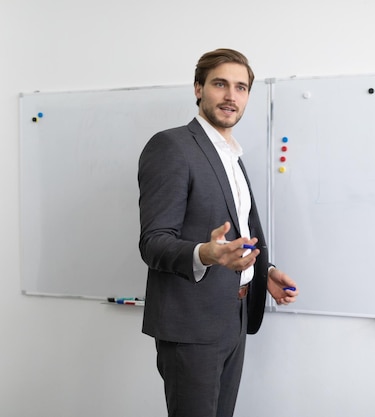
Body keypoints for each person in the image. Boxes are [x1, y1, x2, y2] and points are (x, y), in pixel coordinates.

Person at [137, 48, 299, 417]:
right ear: (198, 89)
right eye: (220, 84)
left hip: (235, 315)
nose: (231, 95)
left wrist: (265, 272)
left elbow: (244, 232)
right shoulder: (172, 146)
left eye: (241, 88)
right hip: (192, 325)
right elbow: (153, 242)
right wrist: (204, 253)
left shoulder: (232, 155)